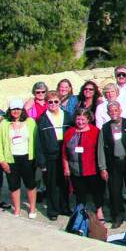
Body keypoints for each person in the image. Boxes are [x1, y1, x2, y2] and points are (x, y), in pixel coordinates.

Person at [0, 98, 38, 218]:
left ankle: (32, 208)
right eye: (13, 109)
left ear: (22, 110)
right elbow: (0, 143)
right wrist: (2, 160)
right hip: (11, 158)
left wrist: (37, 159)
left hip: (27, 157)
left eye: (18, 109)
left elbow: (35, 140)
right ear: (10, 110)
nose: (16, 111)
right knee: (14, 185)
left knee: (30, 184)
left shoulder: (30, 122)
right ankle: (17, 209)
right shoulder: (4, 123)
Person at [35, 92, 72, 220]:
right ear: (47, 103)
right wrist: (41, 161)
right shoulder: (42, 118)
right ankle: (52, 211)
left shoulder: (67, 116)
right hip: (50, 154)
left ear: (60, 102)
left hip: (64, 153)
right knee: (51, 184)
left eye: (56, 102)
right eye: (50, 102)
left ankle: (65, 207)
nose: (53, 104)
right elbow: (38, 142)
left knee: (64, 183)